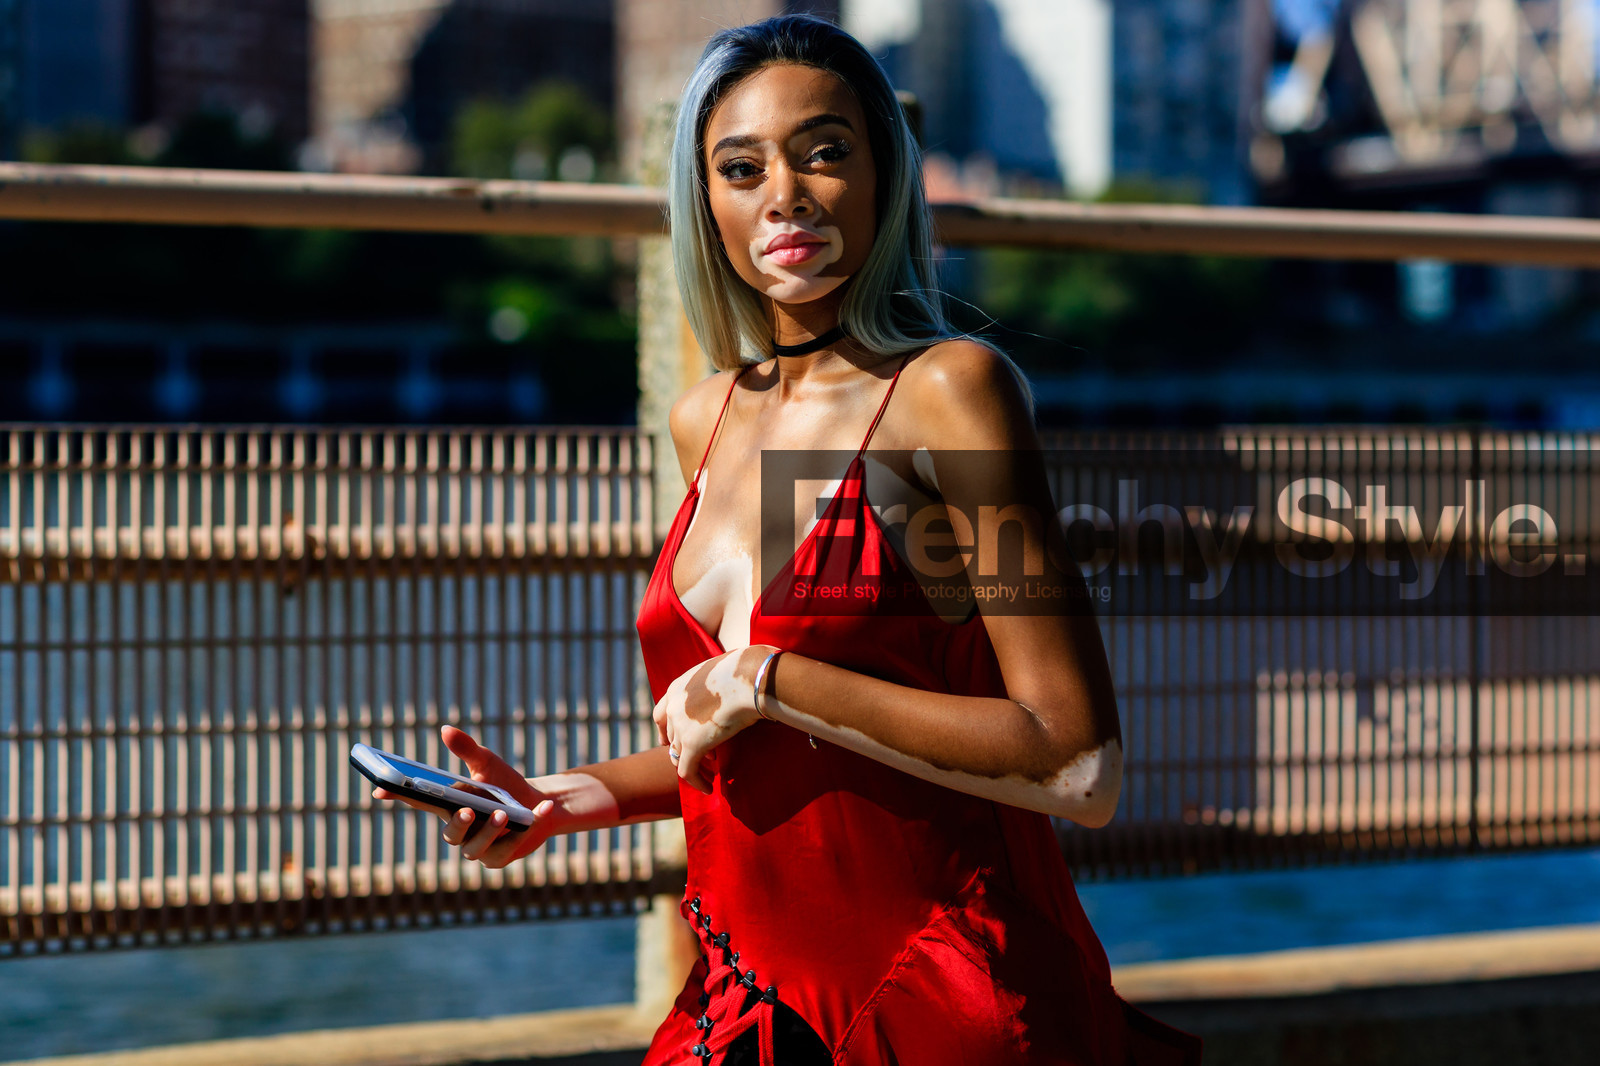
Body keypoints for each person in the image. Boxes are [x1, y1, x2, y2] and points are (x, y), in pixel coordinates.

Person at [376, 15, 1201, 1065]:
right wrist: (558, 801)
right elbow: (765, 753)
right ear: (704, 199)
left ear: (882, 178)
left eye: (824, 152)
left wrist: (770, 675)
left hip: (939, 1002)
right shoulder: (705, 419)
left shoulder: (943, 400)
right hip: (742, 1009)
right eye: (740, 165)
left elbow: (1074, 761)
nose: (785, 195)